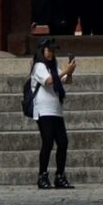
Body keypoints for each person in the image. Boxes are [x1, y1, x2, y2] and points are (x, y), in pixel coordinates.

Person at [30, 39, 77, 189]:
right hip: (43, 110)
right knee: (48, 142)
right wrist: (65, 71)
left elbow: (65, 81)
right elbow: (49, 81)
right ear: (42, 51)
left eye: (53, 51)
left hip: (56, 110)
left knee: (63, 142)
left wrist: (70, 73)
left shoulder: (53, 66)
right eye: (48, 50)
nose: (51, 54)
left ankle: (60, 175)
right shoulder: (38, 66)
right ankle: (42, 175)